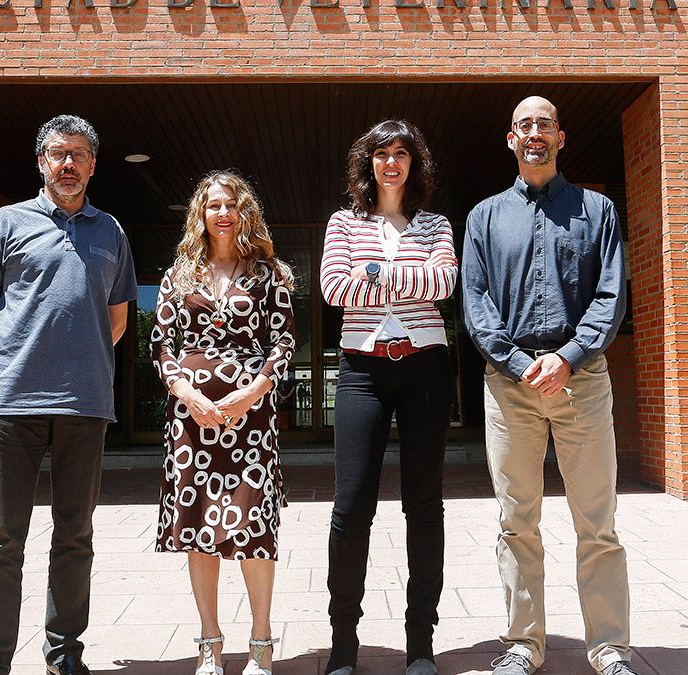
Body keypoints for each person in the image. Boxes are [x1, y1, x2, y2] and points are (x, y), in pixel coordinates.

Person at [460, 96, 635, 675]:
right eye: (524, 125)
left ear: (561, 136)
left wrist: (569, 355)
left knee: (598, 521)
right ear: (510, 139)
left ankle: (609, 647)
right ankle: (522, 646)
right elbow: (476, 303)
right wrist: (514, 363)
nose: (534, 133)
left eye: (544, 124)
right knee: (516, 520)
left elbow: (610, 295)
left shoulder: (598, 210)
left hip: (581, 380)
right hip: (509, 386)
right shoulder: (484, 217)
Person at [0, 114, 136, 675]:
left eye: (79, 154)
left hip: (84, 405)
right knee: (2, 538)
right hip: (15, 405)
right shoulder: (6, 223)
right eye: (58, 154)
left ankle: (64, 654)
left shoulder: (110, 231)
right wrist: (13, 363)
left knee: (74, 536)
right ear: (41, 162)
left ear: (92, 164)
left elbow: (117, 319)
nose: (68, 164)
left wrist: (75, 363)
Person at [319, 119, 457, 675]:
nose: (392, 163)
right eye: (381, 154)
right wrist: (408, 273)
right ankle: (344, 643)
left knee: (423, 505)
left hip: (426, 369)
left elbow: (445, 282)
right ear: (367, 163)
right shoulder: (342, 222)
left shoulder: (437, 224)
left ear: (414, 163)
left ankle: (420, 642)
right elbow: (333, 289)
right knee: (352, 507)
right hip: (362, 371)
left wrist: (374, 273)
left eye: (402, 153)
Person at [152, 170, 296, 675]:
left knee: (252, 524)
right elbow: (162, 346)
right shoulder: (178, 276)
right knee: (197, 529)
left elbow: (283, 343)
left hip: (251, 422)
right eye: (213, 205)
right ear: (201, 214)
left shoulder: (268, 274)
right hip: (191, 422)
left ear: (245, 212)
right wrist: (188, 393)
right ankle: (209, 643)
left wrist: (252, 392)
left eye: (231, 204)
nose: (222, 213)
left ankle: (261, 643)